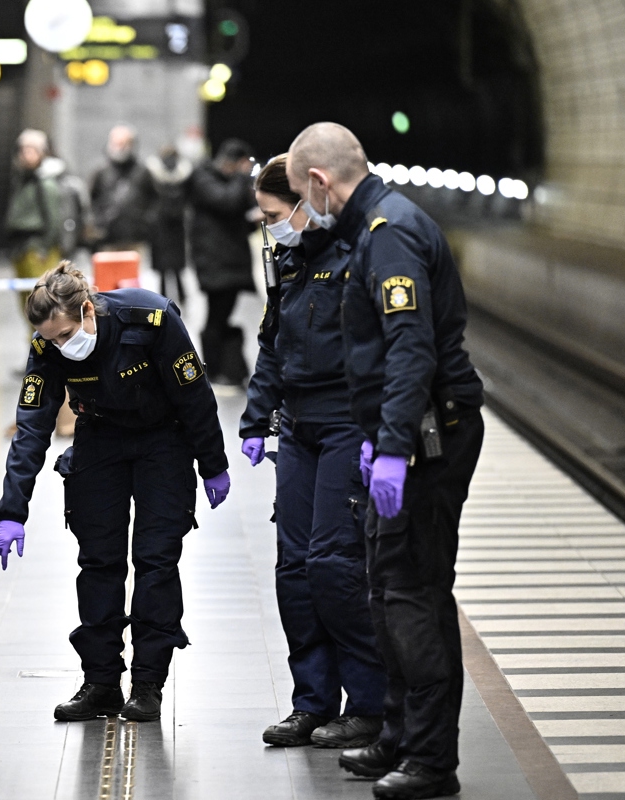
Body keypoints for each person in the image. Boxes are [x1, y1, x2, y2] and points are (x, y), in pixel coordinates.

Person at [288, 122, 485, 800]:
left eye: (302, 198)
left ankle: (433, 760)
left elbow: (410, 350)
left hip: (430, 440)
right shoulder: (370, 229)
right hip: (402, 436)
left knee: (412, 597)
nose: (304, 213)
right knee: (385, 588)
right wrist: (376, 435)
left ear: (319, 181)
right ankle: (400, 736)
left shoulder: (388, 234)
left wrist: (394, 449)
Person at [0, 262, 231, 723]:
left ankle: (147, 684)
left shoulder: (152, 319)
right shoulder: (45, 344)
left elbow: (195, 397)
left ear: (87, 310)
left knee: (156, 561)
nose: (61, 346)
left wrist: (213, 464)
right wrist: (12, 510)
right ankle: (100, 682)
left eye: (65, 335)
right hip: (99, 440)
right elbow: (32, 427)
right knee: (98, 562)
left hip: (163, 442)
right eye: (51, 340)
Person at [239, 154, 387, 750]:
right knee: (293, 570)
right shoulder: (288, 258)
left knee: (336, 567)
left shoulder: (357, 256)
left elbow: (386, 349)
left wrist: (386, 434)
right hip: (296, 429)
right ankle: (313, 702)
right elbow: (273, 341)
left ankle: (370, 703)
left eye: (274, 214)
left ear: (306, 202)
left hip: (347, 426)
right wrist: (255, 418)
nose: (269, 226)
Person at [189, 138, 257, 385]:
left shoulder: (229, 181)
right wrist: (241, 177)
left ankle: (225, 370)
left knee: (220, 317)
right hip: (216, 264)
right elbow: (226, 202)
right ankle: (214, 370)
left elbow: (242, 213)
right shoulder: (204, 177)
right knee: (216, 318)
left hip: (230, 264)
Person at [5, 129, 63, 309]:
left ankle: (42, 338)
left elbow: (54, 219)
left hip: (37, 248)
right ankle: (34, 338)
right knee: (26, 302)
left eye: (32, 150)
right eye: (24, 150)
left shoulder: (45, 182)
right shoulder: (22, 180)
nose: (27, 155)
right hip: (20, 246)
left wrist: (44, 248)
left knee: (41, 302)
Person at [88, 125, 153, 251]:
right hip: (107, 239)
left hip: (135, 238)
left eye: (124, 143)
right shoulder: (100, 172)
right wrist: (100, 222)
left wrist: (145, 222)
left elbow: (154, 199)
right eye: (116, 143)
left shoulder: (143, 172)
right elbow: (91, 200)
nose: (120, 147)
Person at [144, 144, 192, 305]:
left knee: (164, 270)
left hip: (160, 226)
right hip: (177, 226)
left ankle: (163, 300)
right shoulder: (185, 174)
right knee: (177, 269)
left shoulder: (152, 173)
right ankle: (182, 298)